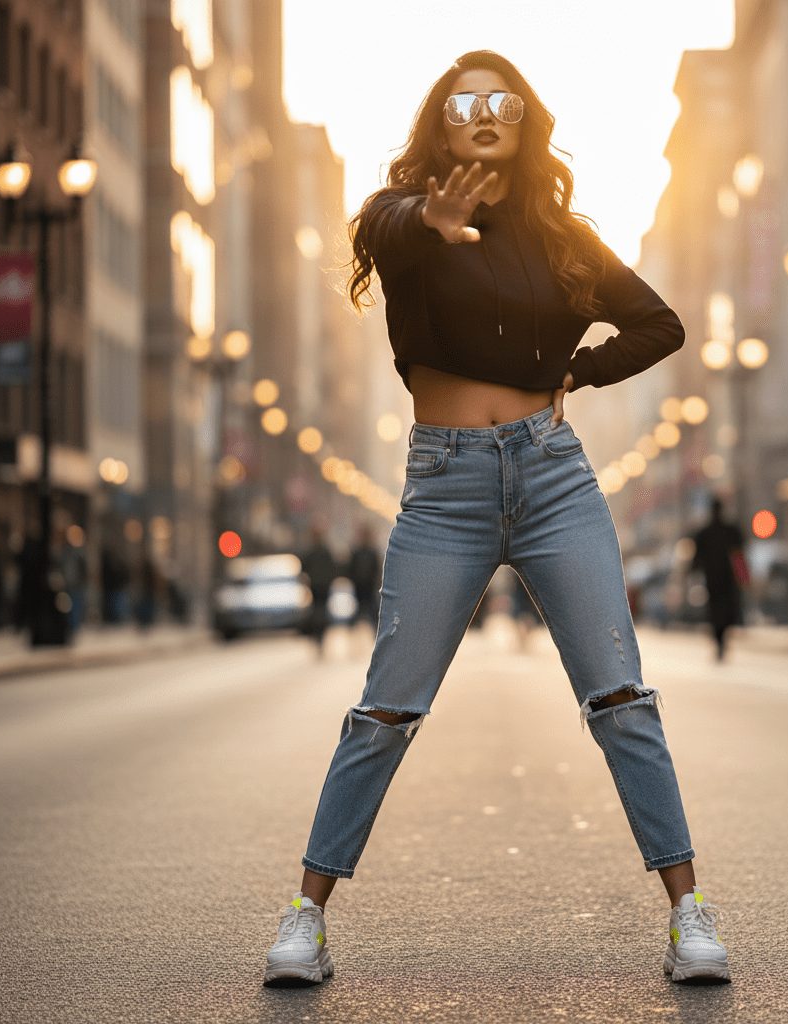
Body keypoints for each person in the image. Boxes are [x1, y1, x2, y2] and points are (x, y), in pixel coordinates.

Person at [263, 51, 730, 987]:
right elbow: (392, 226)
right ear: (441, 123)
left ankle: (689, 915)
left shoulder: (563, 238)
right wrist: (435, 221)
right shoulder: (401, 221)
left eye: (502, 102)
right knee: (387, 709)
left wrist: (576, 375)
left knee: (620, 697)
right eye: (464, 102)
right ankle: (305, 919)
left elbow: (661, 323)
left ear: (525, 123)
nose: (483, 113)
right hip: (445, 487)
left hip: (553, 477)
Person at [690, 498, 746, 661]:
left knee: (718, 612)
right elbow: (739, 555)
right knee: (724, 611)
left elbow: (697, 559)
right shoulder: (729, 531)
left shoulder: (706, 533)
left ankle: (720, 640)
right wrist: (742, 577)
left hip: (715, 580)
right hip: (724, 580)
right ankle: (721, 641)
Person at [299, 528, 339, 655]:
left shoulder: (313, 551)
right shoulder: (323, 551)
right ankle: (319, 636)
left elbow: (304, 568)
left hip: (318, 587)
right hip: (320, 587)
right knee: (320, 612)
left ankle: (318, 636)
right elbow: (333, 568)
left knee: (317, 612)